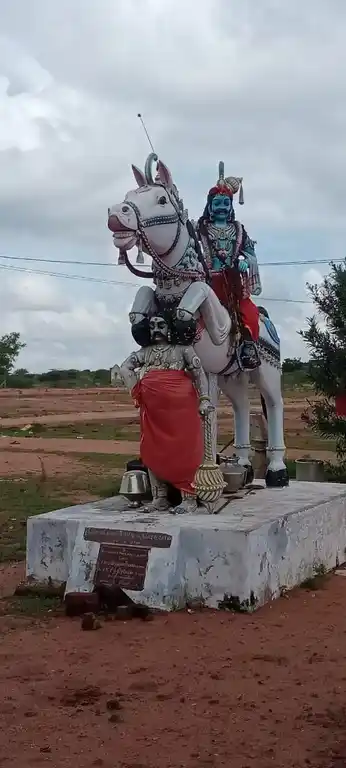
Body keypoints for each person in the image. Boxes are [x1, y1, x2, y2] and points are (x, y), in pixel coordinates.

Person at [112, 313, 213, 514]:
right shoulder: (144, 352)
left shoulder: (183, 349)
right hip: (152, 411)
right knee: (152, 450)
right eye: (152, 326)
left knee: (185, 452)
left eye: (161, 324)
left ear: (171, 328)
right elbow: (125, 367)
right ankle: (160, 497)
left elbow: (199, 374)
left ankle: (189, 498)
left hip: (182, 410)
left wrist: (204, 399)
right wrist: (136, 392)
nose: (156, 329)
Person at [197, 163, 262, 370]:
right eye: (217, 203)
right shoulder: (200, 229)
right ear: (210, 206)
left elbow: (251, 254)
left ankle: (247, 346)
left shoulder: (239, 229)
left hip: (233, 283)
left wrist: (245, 262)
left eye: (226, 203)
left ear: (231, 206)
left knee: (249, 312)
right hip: (207, 281)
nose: (222, 207)